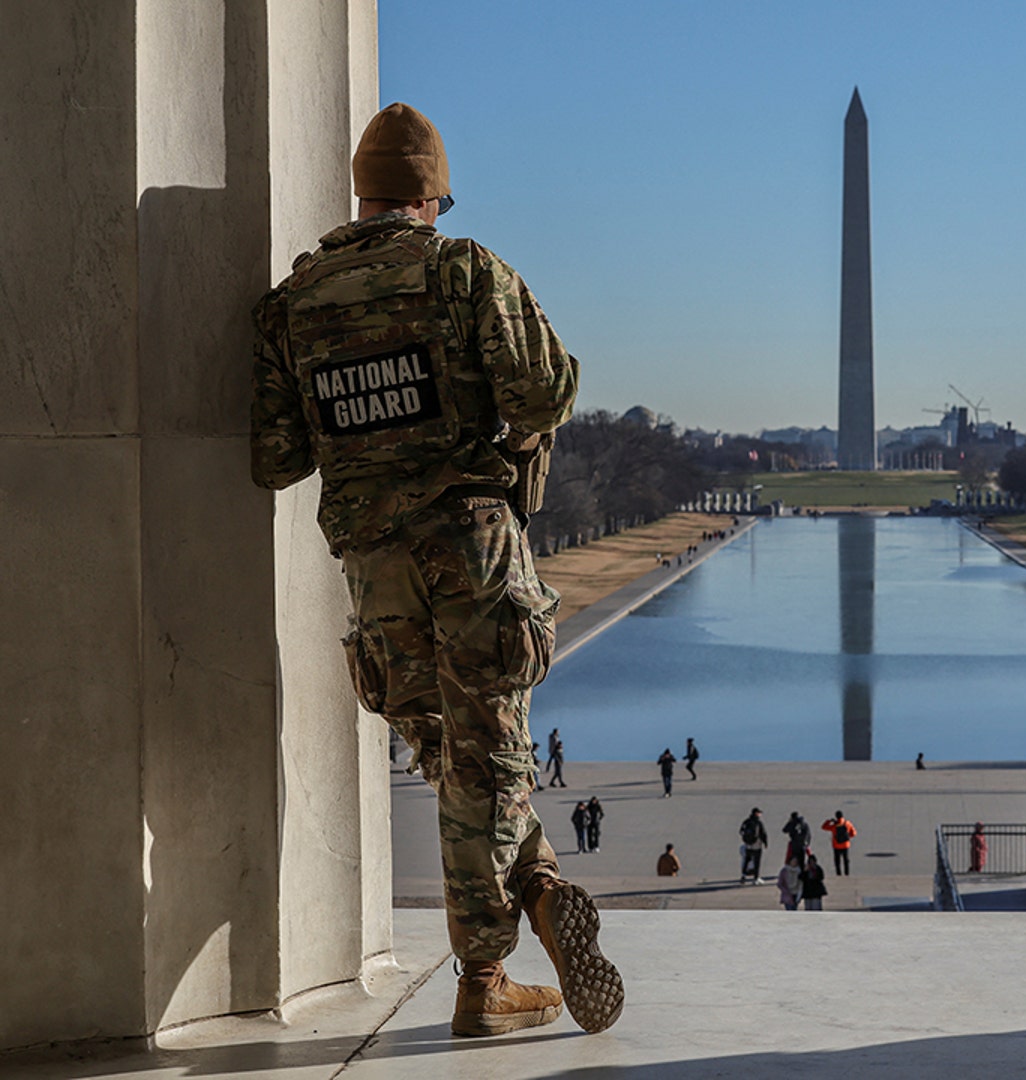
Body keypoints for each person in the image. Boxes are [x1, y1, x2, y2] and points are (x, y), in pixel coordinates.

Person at [250, 102, 619, 1038]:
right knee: (490, 756)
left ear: (363, 191)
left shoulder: (293, 302)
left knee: (451, 754)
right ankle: (485, 977)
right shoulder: (462, 271)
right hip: (472, 546)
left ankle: (534, 886)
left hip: (373, 562)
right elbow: (546, 390)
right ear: (433, 198)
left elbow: (277, 455)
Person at [820, 810, 858, 876]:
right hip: (845, 845)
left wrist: (829, 821)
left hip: (836, 845)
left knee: (837, 861)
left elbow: (823, 827)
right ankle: (847, 873)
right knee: (846, 860)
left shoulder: (834, 826)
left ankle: (838, 874)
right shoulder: (847, 823)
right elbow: (854, 833)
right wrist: (847, 837)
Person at [740, 807, 770, 884]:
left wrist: (746, 840)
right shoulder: (758, 823)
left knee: (747, 860)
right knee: (757, 861)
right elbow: (763, 833)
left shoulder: (747, 821)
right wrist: (765, 842)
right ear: (756, 813)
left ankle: (743, 876)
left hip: (748, 845)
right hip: (757, 845)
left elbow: (741, 831)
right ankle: (756, 878)